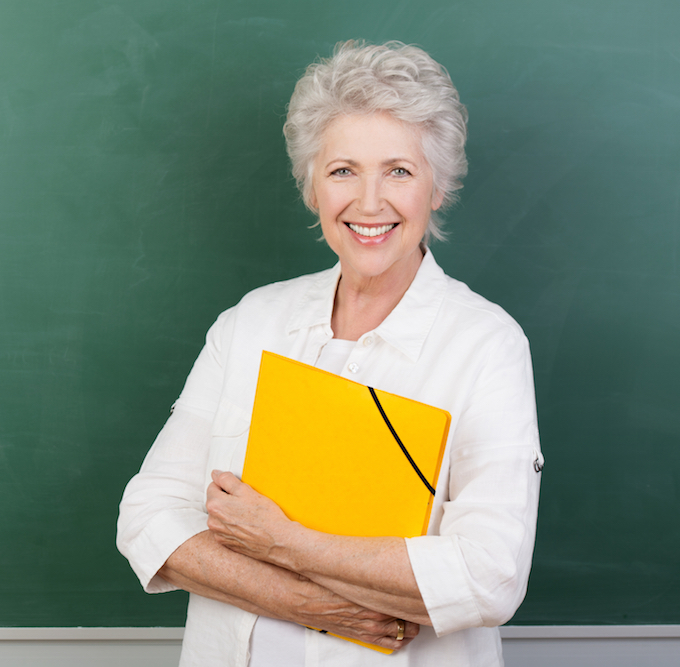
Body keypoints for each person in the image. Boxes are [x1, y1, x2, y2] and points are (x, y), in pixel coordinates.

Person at [117, 40, 543, 666]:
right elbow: (148, 518)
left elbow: (489, 574)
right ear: (312, 186)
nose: (369, 203)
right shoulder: (250, 323)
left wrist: (283, 542)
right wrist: (312, 604)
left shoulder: (487, 344)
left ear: (438, 188)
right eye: (343, 170)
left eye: (399, 170)